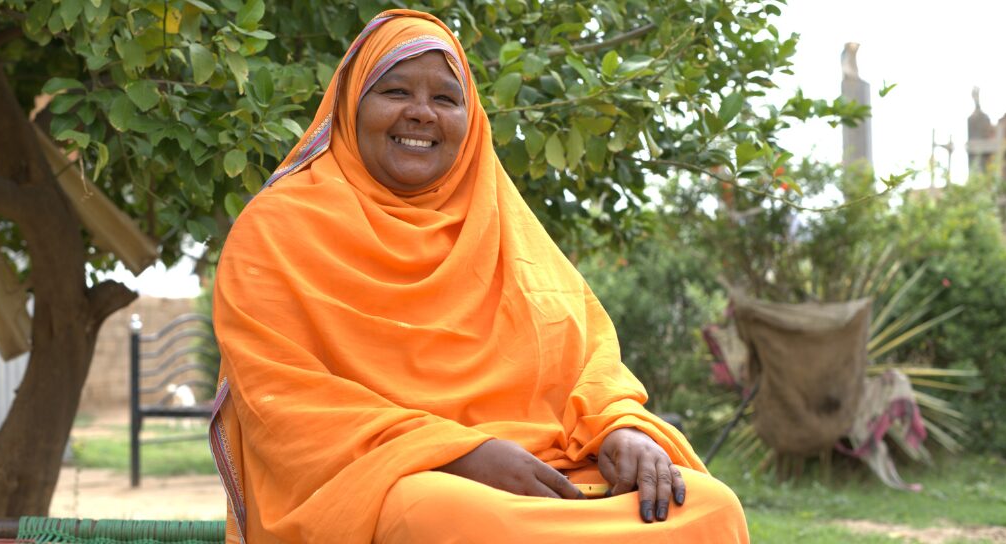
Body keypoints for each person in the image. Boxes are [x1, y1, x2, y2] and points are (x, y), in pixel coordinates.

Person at [209, 9, 748, 543]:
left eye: (445, 98)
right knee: (441, 518)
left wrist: (621, 428)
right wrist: (458, 453)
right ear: (350, 106)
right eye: (395, 92)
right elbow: (283, 400)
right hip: (401, 478)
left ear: (471, 122)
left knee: (707, 506)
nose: (422, 114)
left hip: (551, 472)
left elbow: (587, 363)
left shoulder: (502, 225)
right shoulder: (277, 229)